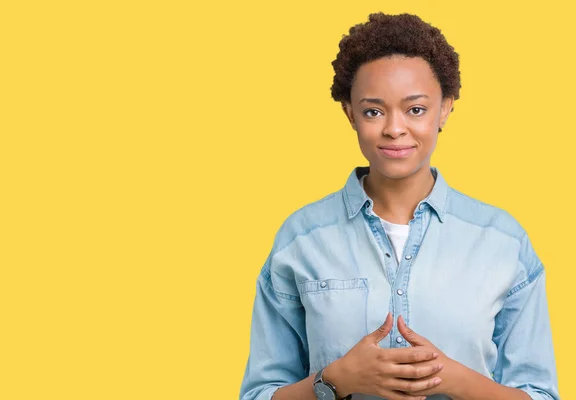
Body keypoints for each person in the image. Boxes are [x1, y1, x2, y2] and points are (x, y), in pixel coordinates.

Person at [239, 12, 559, 400]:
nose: (394, 128)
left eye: (416, 109)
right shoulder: (301, 238)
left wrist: (456, 379)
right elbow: (258, 394)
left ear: (445, 109)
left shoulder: (503, 241)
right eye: (374, 111)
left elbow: (541, 394)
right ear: (350, 113)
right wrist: (334, 381)